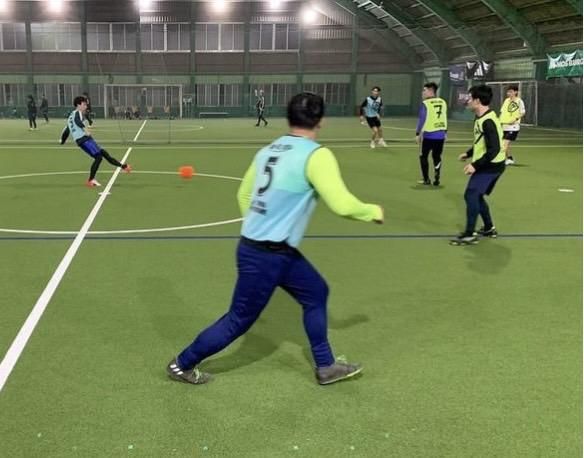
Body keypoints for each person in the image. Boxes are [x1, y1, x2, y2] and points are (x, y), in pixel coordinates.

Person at [168, 92, 384, 386]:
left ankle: (326, 366)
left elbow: (243, 194)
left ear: (289, 118)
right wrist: (373, 211)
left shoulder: (268, 150)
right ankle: (182, 363)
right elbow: (343, 205)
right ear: (321, 120)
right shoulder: (316, 155)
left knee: (316, 293)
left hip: (271, 250)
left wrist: (260, 226)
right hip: (267, 255)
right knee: (238, 320)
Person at [450, 85, 505, 246]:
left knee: (471, 195)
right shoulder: (481, 118)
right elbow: (481, 142)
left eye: (470, 98)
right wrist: (468, 153)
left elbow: (494, 149)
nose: (467, 101)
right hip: (489, 164)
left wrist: (475, 165)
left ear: (478, 101)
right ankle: (488, 228)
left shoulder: (488, 122)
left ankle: (469, 234)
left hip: (491, 166)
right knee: (477, 195)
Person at [60, 96, 131, 187]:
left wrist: (63, 141)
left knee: (103, 153)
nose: (86, 106)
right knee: (98, 157)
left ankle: (123, 167)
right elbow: (77, 121)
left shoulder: (71, 116)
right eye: (84, 104)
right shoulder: (77, 113)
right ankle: (90, 180)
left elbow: (66, 131)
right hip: (84, 139)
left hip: (84, 139)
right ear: (78, 105)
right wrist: (85, 130)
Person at [415, 82, 447, 186]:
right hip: (441, 135)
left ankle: (426, 179)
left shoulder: (425, 104)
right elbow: (444, 117)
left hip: (428, 135)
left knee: (423, 156)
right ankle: (437, 177)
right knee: (437, 156)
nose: (422, 92)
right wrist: (445, 132)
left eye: (424, 90)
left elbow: (422, 120)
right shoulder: (443, 102)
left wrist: (417, 133)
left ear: (430, 91)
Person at [499, 84, 525, 165]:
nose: (508, 93)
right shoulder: (506, 100)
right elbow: (502, 112)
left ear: (515, 92)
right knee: (505, 144)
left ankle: (500, 160)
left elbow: (523, 112)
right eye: (508, 92)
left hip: (513, 127)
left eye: (510, 92)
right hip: (504, 126)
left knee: (505, 144)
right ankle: (509, 159)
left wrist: (515, 119)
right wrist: (499, 121)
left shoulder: (519, 101)